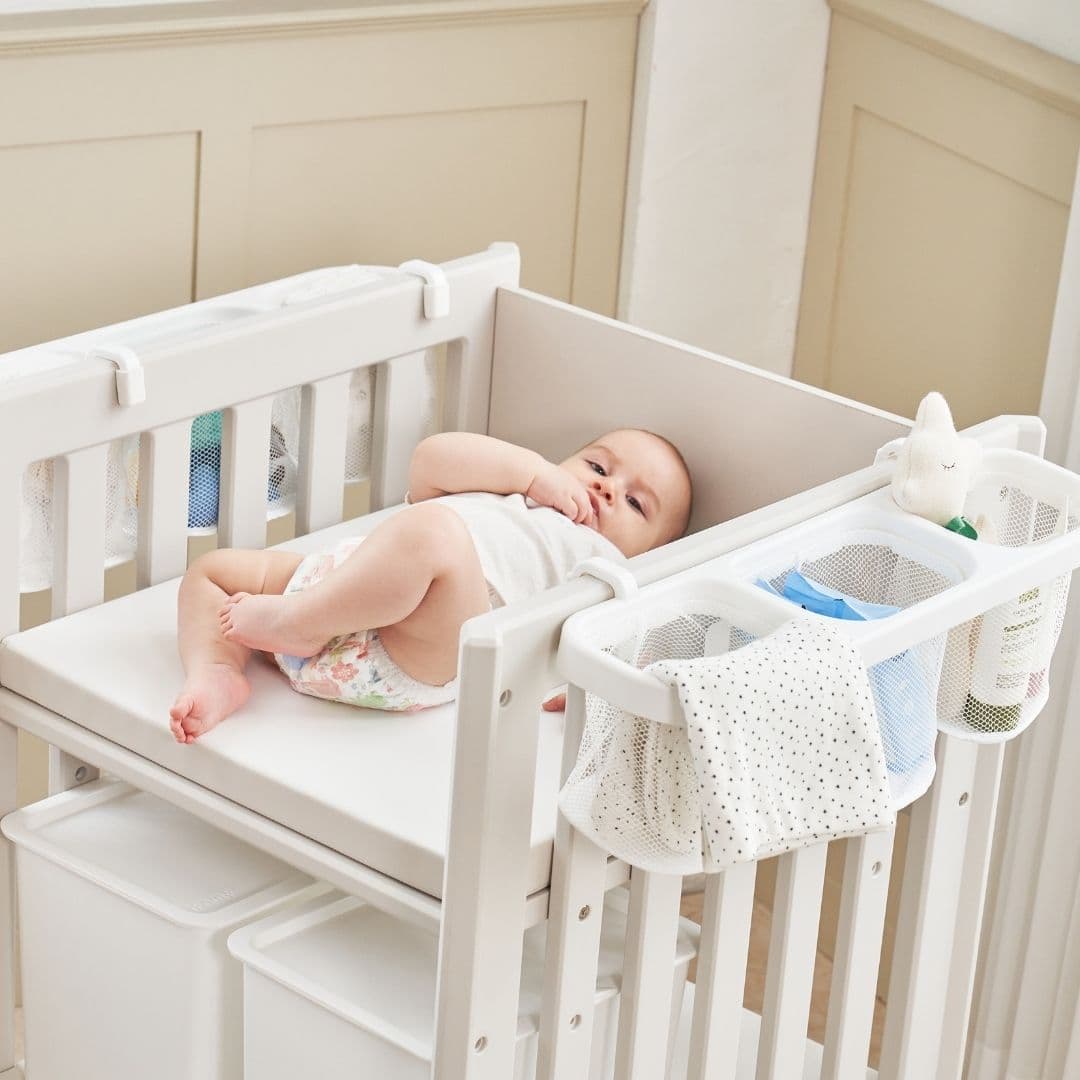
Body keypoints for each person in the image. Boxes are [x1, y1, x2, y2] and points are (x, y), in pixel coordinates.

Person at [169, 428, 693, 742]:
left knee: (435, 535)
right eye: (598, 465)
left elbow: (616, 645)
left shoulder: (608, 568)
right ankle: (217, 670)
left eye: (634, 503)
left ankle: (299, 623)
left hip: (428, 645)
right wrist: (530, 474)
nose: (606, 487)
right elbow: (430, 459)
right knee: (212, 572)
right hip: (340, 582)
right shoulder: (516, 489)